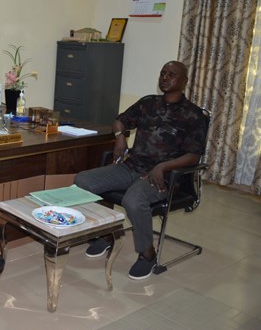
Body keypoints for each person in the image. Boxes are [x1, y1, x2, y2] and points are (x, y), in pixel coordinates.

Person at [74, 61, 207, 280]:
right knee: (83, 181)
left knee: (133, 200)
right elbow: (120, 121)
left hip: (162, 177)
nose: (165, 78)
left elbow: (193, 156)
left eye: (171, 75)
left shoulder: (193, 115)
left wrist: (163, 166)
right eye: (162, 73)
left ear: (184, 81)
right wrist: (120, 138)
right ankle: (107, 234)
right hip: (131, 167)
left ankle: (147, 254)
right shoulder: (148, 103)